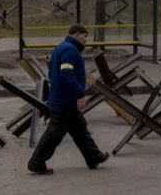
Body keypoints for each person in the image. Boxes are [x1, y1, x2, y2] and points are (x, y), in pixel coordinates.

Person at [27, 24, 109, 175]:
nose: (86, 40)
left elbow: (52, 72)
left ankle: (93, 157)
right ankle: (36, 162)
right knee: (55, 132)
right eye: (85, 36)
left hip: (64, 99)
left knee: (79, 129)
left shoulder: (62, 47)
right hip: (64, 100)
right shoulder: (70, 50)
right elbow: (66, 74)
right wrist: (80, 93)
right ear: (77, 34)